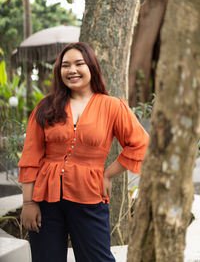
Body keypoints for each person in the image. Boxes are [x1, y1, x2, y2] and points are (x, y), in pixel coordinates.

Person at [18, 42, 149, 262]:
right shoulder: (45, 107)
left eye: (79, 64)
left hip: (89, 197)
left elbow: (141, 144)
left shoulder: (112, 106)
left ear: (92, 67)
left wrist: (107, 174)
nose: (72, 70)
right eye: (65, 65)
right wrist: (29, 203)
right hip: (46, 200)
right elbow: (30, 158)